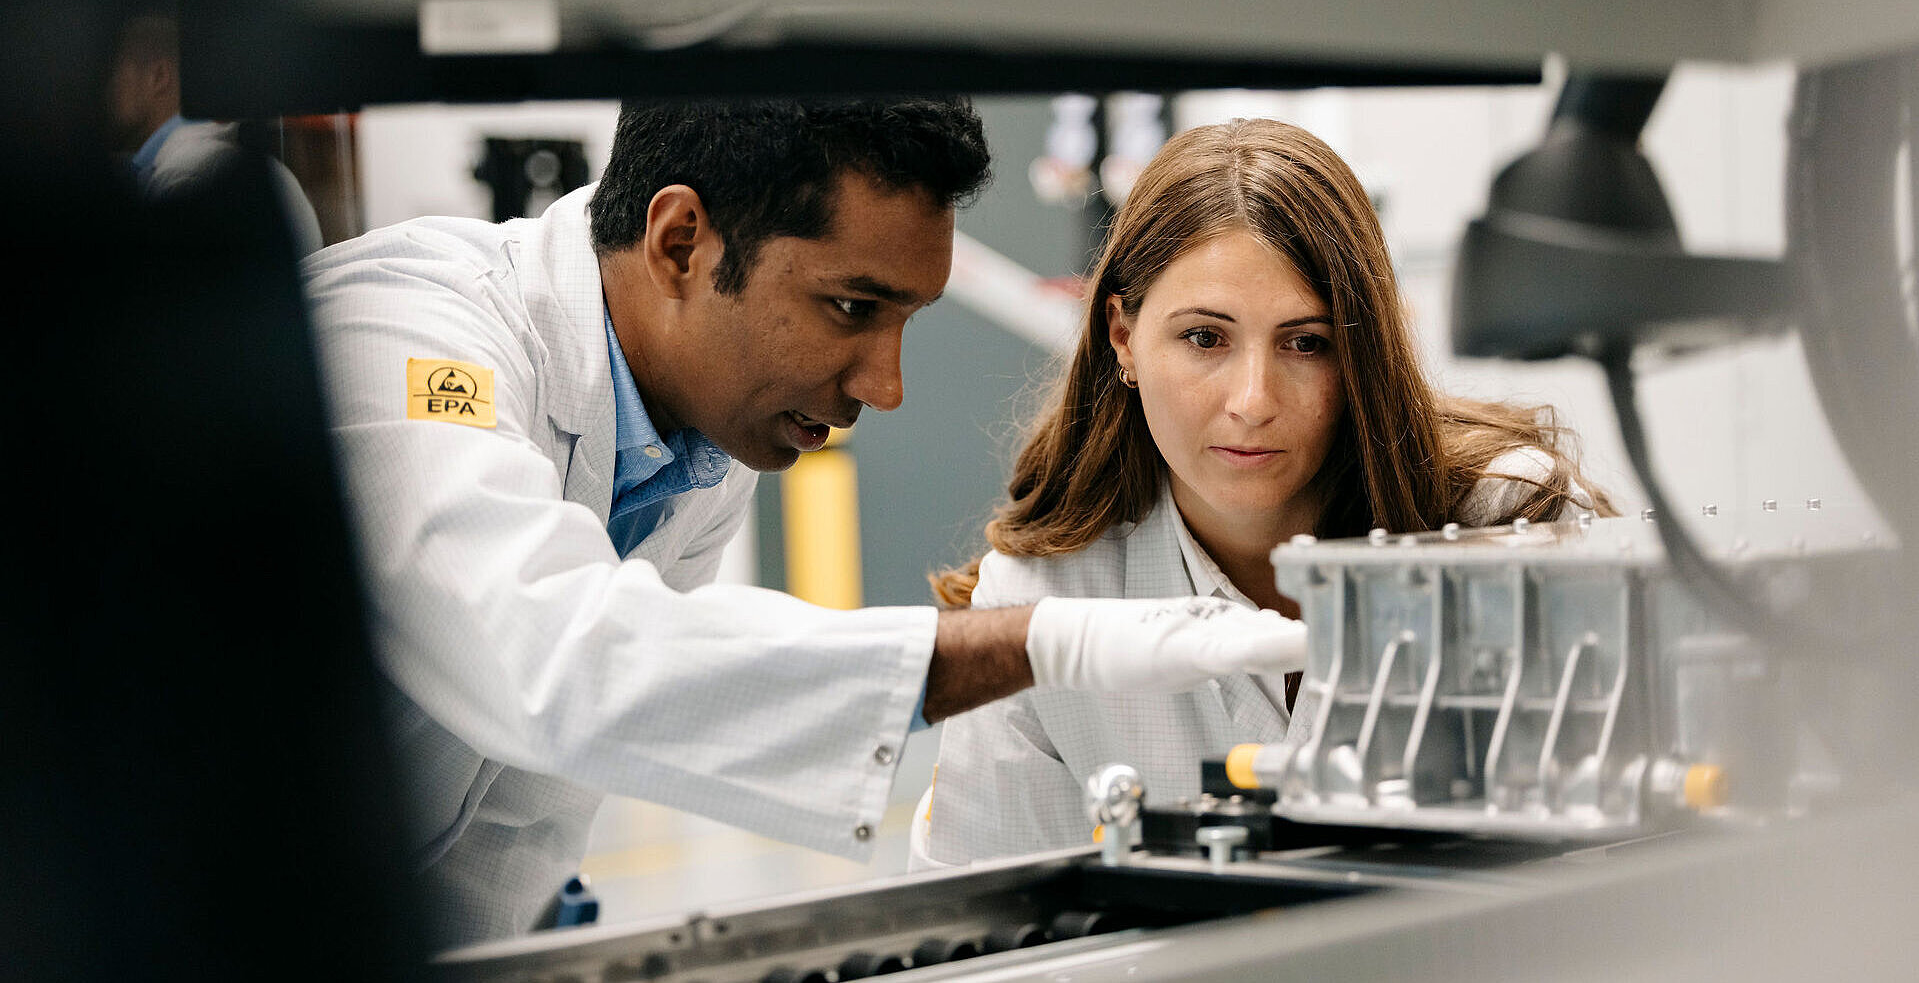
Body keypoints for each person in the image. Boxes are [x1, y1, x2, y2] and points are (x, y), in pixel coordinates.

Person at [298, 97, 1308, 949]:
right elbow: (559, 661)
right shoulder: (398, 338)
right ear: (681, 241)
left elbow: (528, 801)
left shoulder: (697, 440)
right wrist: (1042, 640)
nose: (887, 382)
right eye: (850, 306)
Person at [913, 118, 1616, 868]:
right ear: (1122, 337)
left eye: (1306, 343)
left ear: (1361, 354)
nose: (1253, 401)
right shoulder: (1042, 599)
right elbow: (995, 933)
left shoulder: (1515, 528)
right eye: (1206, 338)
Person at [104, 8, 323, 257]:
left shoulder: (185, 178)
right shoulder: (222, 162)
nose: (102, 93)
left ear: (158, 76)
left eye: (111, 76)